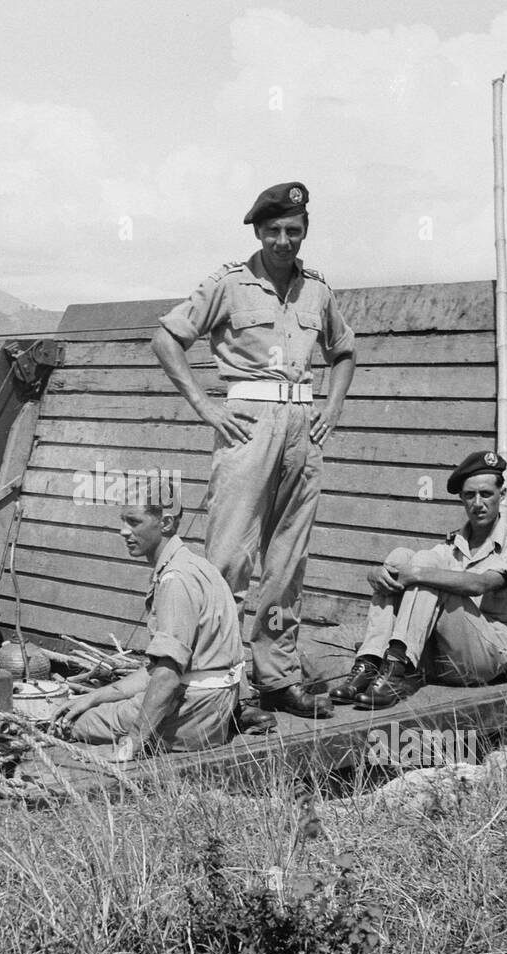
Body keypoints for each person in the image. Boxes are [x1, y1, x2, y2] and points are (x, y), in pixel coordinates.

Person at [152, 181, 356, 719]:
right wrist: (205, 407)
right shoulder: (229, 284)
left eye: (293, 230)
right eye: (273, 231)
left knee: (287, 564)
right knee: (229, 561)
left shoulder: (317, 291)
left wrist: (332, 408)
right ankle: (219, 687)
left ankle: (276, 678)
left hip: (303, 430)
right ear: (259, 232)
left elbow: (343, 351)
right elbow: (167, 338)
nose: (283, 241)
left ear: (304, 230)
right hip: (248, 426)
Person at [330, 451, 507, 710]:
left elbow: (480, 584)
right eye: (469, 495)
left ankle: (396, 666)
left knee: (425, 569)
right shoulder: (452, 545)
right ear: (461, 498)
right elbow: (413, 567)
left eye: (486, 494)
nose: (478, 503)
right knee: (401, 557)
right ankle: (370, 662)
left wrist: (416, 574)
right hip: (444, 656)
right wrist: (376, 574)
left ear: (502, 494)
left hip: (487, 657)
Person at [52, 488, 244, 759]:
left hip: (194, 711)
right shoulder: (194, 564)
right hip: (214, 706)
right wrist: (94, 696)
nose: (123, 531)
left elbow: (166, 676)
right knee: (87, 706)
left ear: (165, 523)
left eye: (134, 522)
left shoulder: (175, 580)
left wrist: (131, 744)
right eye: (123, 521)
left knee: (72, 723)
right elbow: (156, 670)